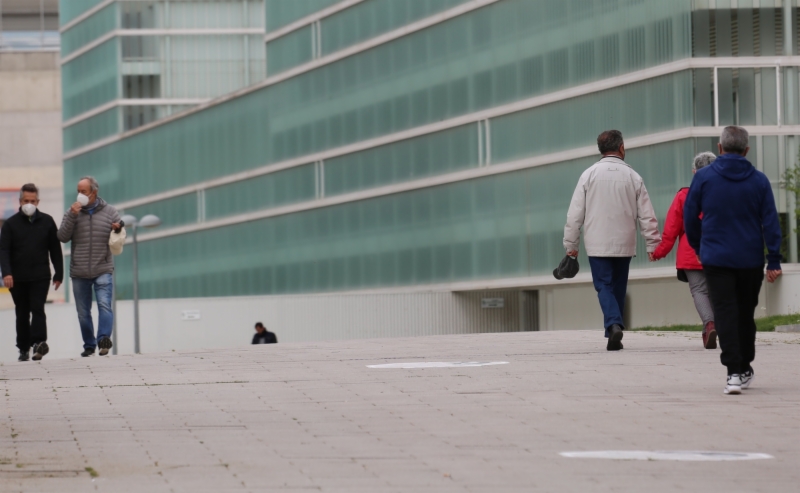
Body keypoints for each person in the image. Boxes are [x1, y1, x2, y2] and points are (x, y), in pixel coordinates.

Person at [684, 126, 782, 395]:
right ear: (746, 150)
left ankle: (734, 373)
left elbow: (690, 217)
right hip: (749, 259)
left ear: (720, 148)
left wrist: (699, 246)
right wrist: (773, 258)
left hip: (715, 258)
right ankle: (744, 366)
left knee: (725, 313)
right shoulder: (759, 181)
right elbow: (771, 222)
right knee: (744, 314)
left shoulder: (703, 178)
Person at [563, 130, 661, 350]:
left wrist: (571, 245)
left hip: (597, 243)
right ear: (622, 147)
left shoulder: (588, 175)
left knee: (603, 286)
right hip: (625, 242)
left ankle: (614, 324)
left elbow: (574, 214)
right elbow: (647, 214)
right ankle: (613, 336)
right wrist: (653, 244)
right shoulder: (633, 176)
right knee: (618, 286)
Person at [651, 152, 717, 349]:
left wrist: (658, 252)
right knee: (717, 290)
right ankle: (717, 327)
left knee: (698, 290)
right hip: (720, 251)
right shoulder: (726, 194)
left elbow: (671, 230)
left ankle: (709, 324)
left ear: (694, 172)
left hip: (691, 252)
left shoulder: (684, 196)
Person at [58, 176, 121, 357]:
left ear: (94, 192)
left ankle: (103, 339)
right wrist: (72, 215)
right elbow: (62, 236)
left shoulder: (109, 211)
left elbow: (120, 230)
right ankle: (89, 345)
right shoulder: (72, 212)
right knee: (83, 312)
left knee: (104, 304)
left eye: (83, 191)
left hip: (103, 267)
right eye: (78, 191)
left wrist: (117, 228)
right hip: (79, 270)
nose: (80, 195)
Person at [0, 184, 63, 362]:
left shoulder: (48, 221)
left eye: (32, 201)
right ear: (20, 201)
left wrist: (59, 274)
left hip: (40, 276)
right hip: (17, 278)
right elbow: (3, 251)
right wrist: (6, 273)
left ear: (38, 201)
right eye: (26, 201)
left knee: (37, 308)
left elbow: (55, 250)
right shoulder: (10, 224)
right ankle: (23, 348)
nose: (29, 204)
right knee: (22, 312)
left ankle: (38, 344)